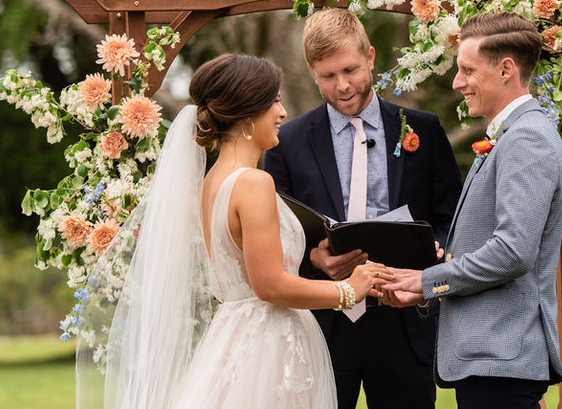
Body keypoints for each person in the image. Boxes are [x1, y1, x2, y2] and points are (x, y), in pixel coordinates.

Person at [79, 53, 393, 409]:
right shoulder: (253, 182)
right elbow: (269, 284)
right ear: (247, 112)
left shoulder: (212, 182)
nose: (282, 112)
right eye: (274, 100)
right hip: (268, 348)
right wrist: (349, 290)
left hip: (234, 336)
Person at [264, 8, 462, 409]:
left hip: (404, 324)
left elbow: (450, 220)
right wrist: (315, 261)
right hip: (322, 327)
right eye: (328, 76)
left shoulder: (423, 129)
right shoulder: (287, 142)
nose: (342, 86)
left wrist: (433, 259)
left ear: (370, 57)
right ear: (311, 71)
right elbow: (275, 235)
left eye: (351, 70)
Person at [382, 12, 562, 409]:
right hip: (489, 364)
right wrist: (423, 289)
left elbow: (512, 252)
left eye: (467, 69)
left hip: (501, 362)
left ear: (506, 69)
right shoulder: (511, 135)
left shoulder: (527, 139)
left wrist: (427, 280)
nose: (456, 82)